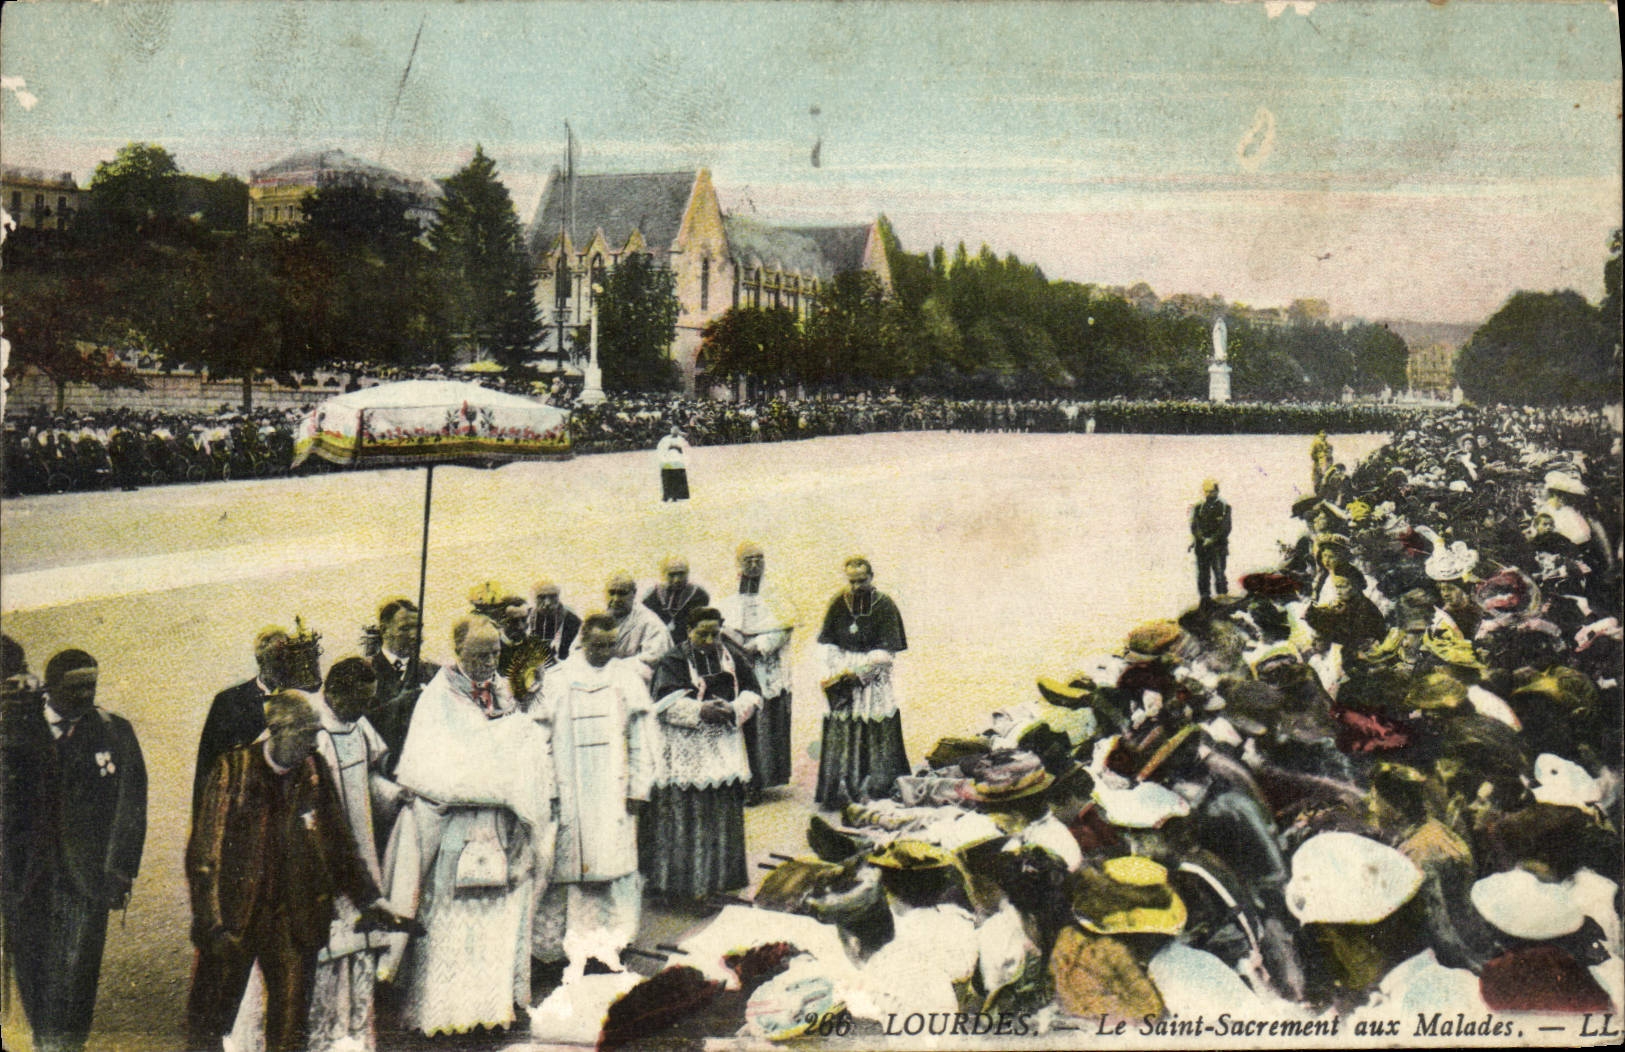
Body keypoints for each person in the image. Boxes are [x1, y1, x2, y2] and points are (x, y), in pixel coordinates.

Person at [185, 691, 393, 1052]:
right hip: (236, 918)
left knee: (291, 1024)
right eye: (307, 734)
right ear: (277, 730)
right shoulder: (233, 769)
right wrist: (212, 924)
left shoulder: (315, 769)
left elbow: (339, 844)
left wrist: (370, 900)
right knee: (211, 1021)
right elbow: (205, 855)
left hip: (295, 918)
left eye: (317, 733)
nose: (315, 743)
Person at [384, 616, 554, 1037]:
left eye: (495, 653)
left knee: (497, 919)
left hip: (498, 823)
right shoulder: (437, 697)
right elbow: (430, 768)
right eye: (479, 654)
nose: (488, 662)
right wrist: (497, 761)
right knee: (450, 923)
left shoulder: (504, 692)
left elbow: (525, 748)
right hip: (453, 827)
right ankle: (444, 1013)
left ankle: (491, 1009)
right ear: (458, 652)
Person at [2, 649, 147, 1052]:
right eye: (76, 687)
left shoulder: (114, 732)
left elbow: (131, 804)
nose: (86, 694)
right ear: (50, 687)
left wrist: (120, 870)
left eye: (92, 685)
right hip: (27, 879)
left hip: (86, 879)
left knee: (78, 974)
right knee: (33, 972)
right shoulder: (17, 730)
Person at [532, 613, 655, 972]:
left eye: (611, 645)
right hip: (569, 789)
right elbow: (541, 740)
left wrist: (638, 786)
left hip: (612, 791)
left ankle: (608, 943)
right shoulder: (557, 680)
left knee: (612, 869)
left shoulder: (627, 678)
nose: (605, 652)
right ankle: (553, 950)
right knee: (562, 868)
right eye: (598, 644)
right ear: (583, 640)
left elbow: (640, 737)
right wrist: (549, 789)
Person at [307, 658, 409, 1052]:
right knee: (330, 951)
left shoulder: (358, 725)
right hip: (323, 857)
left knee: (363, 943)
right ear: (334, 692)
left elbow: (368, 776)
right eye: (359, 700)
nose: (364, 709)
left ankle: (356, 1033)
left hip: (361, 848)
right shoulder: (309, 727)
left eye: (369, 700)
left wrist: (395, 795)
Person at [643, 608, 759, 900]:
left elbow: (753, 691)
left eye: (714, 633)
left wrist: (734, 709)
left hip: (723, 740)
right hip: (687, 745)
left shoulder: (731, 655)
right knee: (689, 809)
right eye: (702, 633)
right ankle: (683, 885)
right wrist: (700, 710)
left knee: (721, 806)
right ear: (688, 631)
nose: (709, 640)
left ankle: (721, 880)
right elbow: (664, 704)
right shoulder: (674, 660)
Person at [814, 557, 909, 807]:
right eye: (852, 581)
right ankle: (840, 792)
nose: (856, 586)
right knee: (842, 725)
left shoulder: (885, 605)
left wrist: (860, 674)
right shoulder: (838, 602)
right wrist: (838, 671)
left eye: (861, 580)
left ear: (871, 577)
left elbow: (887, 652)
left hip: (871, 678)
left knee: (874, 723)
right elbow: (828, 644)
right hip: (843, 673)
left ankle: (876, 790)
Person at [715, 542, 795, 796]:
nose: (754, 563)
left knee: (765, 720)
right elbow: (720, 625)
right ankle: (742, 781)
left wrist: (758, 646)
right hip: (737, 663)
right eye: (748, 559)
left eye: (759, 558)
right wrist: (737, 644)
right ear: (739, 563)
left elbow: (784, 627)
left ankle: (762, 781)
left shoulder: (775, 592)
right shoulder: (727, 590)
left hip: (765, 663)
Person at [193, 625, 287, 819]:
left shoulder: (299, 700)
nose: (283, 667)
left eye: (288, 660)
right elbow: (208, 766)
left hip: (285, 808)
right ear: (260, 659)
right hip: (243, 811)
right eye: (277, 659)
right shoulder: (228, 702)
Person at [366, 599, 438, 778]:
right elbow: (361, 724)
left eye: (418, 628)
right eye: (405, 628)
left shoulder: (434, 674)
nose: (414, 635)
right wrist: (401, 703)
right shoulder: (365, 673)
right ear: (384, 630)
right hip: (383, 774)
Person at [574, 572, 671, 683]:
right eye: (611, 593)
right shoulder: (595, 618)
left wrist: (612, 667)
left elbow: (654, 658)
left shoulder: (650, 622)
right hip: (594, 679)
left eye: (622, 593)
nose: (615, 599)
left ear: (634, 594)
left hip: (633, 682)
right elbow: (576, 650)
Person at [642, 555, 711, 638]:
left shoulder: (699, 595)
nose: (677, 579)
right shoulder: (652, 595)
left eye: (681, 574)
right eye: (672, 574)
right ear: (663, 574)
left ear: (688, 572)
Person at [1190, 479, 1232, 604]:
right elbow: (1194, 526)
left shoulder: (1224, 507)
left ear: (1217, 491)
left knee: (1219, 573)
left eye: (1212, 491)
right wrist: (1201, 538)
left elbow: (1226, 527)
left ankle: (1222, 597)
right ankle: (1205, 599)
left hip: (1218, 547)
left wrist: (1212, 539)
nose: (1209, 494)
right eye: (1207, 492)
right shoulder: (1199, 507)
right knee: (1203, 575)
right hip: (1202, 547)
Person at [525, 579, 583, 668]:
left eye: (552, 597)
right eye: (541, 597)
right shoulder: (525, 618)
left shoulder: (573, 621)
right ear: (534, 598)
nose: (547, 603)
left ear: (558, 597)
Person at [655, 424, 690, 502]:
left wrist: (679, 448)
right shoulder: (665, 439)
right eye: (673, 430)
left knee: (676, 480)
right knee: (667, 480)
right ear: (670, 431)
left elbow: (686, 449)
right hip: (667, 462)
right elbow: (660, 449)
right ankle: (666, 495)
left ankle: (675, 496)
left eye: (676, 430)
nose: (674, 432)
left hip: (678, 463)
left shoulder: (682, 440)